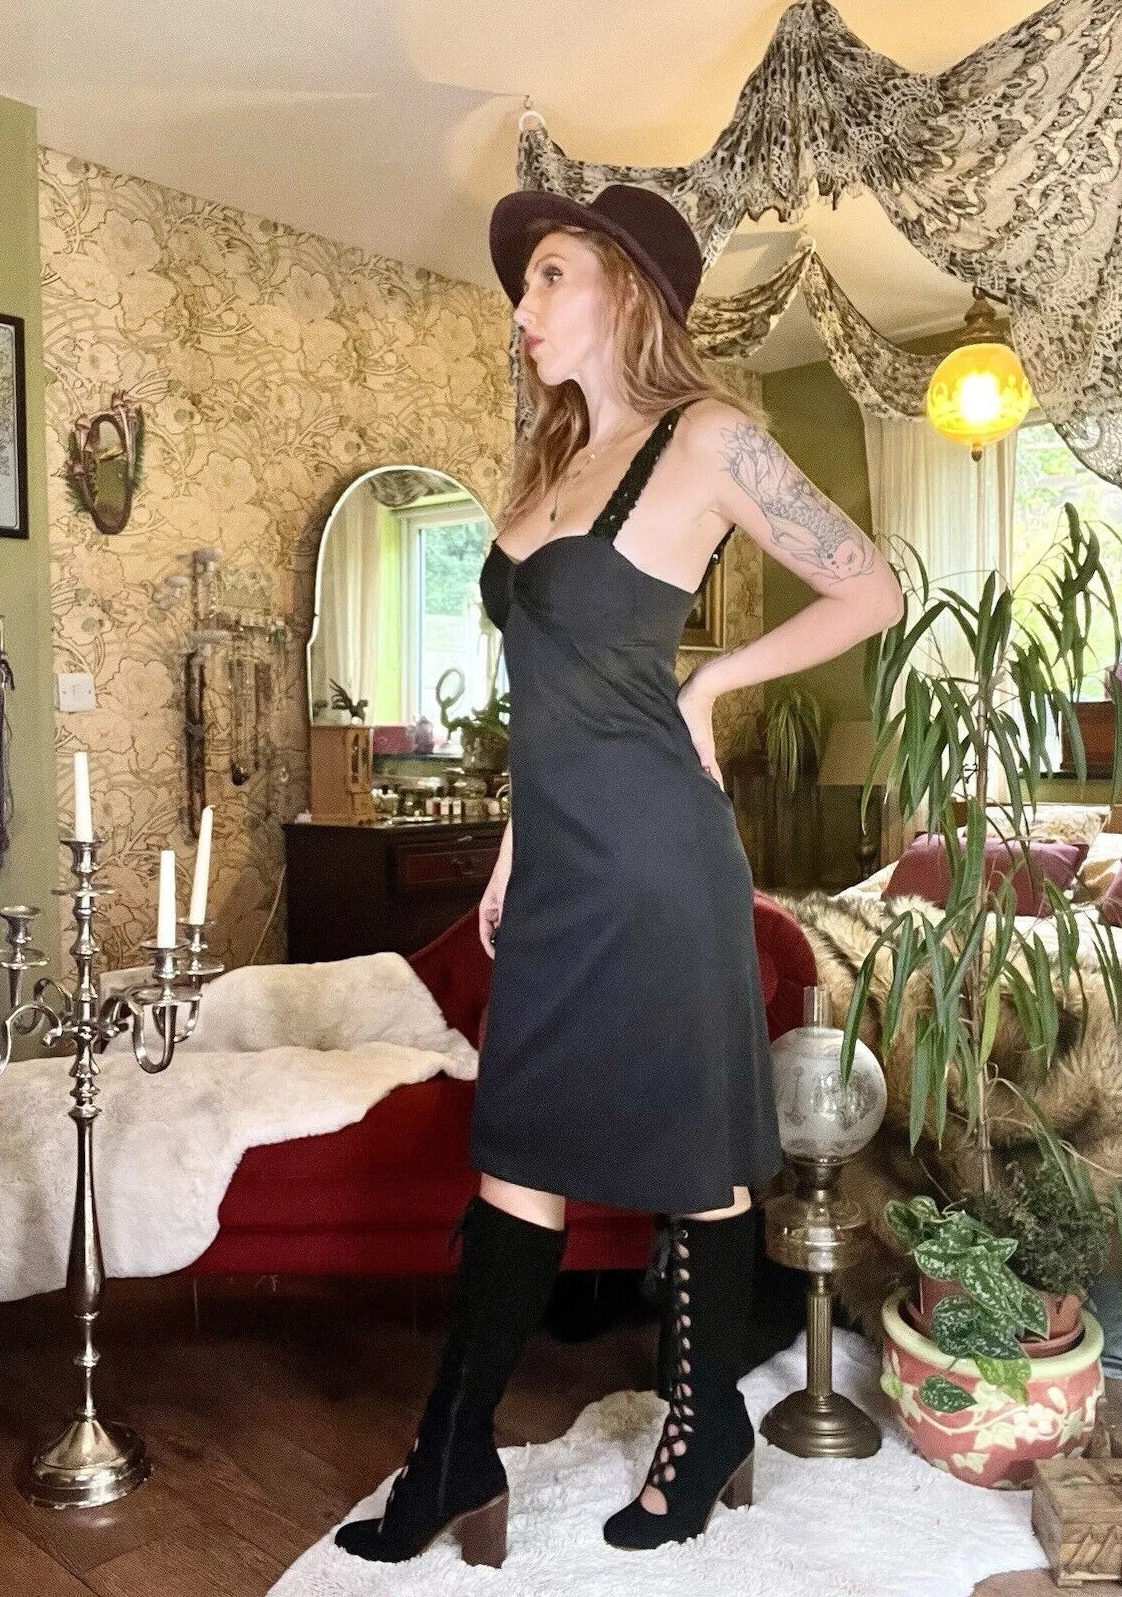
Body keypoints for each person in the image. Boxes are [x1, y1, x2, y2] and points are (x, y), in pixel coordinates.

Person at [334, 182, 904, 1566]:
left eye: (551, 276)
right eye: (524, 284)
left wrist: (713, 682)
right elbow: (550, 696)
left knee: (692, 1158)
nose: (523, 307)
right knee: (515, 1147)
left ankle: (701, 1428)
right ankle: (453, 1451)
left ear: (629, 290)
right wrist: (516, 843)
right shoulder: (548, 472)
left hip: (658, 859)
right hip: (560, 860)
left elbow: (871, 589)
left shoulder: (706, 437)